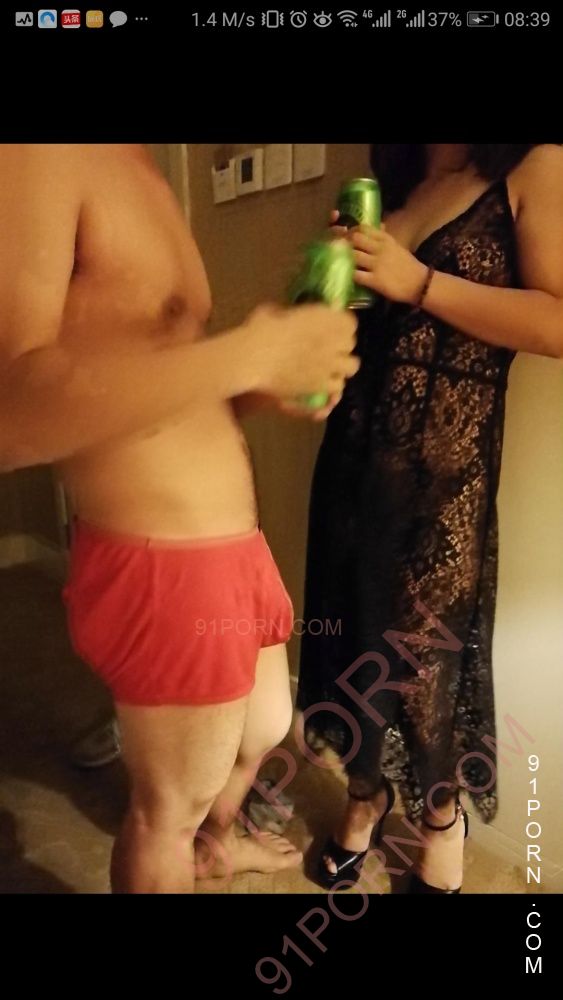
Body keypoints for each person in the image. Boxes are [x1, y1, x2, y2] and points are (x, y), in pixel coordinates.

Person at [0, 143, 359, 893]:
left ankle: (212, 851)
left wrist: (265, 380)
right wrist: (250, 351)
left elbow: (163, 385)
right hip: (164, 560)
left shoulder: (143, 166)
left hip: (232, 546)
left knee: (261, 731)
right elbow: (13, 409)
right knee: (168, 809)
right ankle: (179, 848)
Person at [297, 143, 563, 893]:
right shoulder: (395, 179)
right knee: (350, 641)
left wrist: (416, 281)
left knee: (426, 664)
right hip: (351, 457)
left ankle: (442, 822)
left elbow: (556, 321)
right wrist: (331, 279)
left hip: (446, 477)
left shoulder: (535, 165)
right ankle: (365, 795)